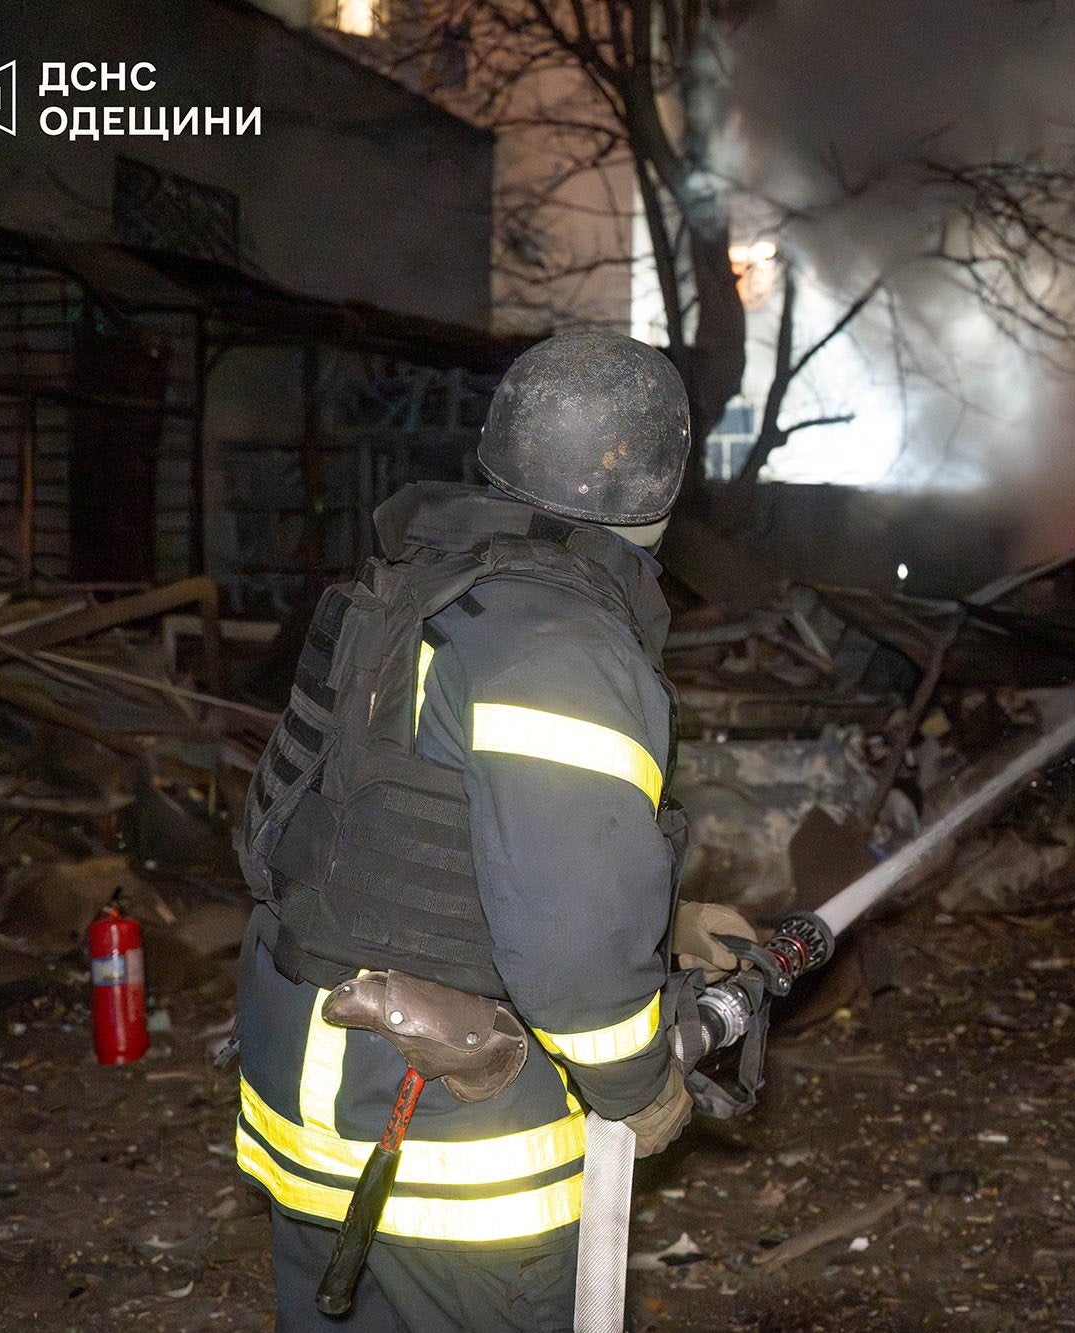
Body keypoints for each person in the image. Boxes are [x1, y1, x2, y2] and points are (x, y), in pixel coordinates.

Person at [231, 329, 716, 1330]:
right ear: (664, 482)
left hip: (315, 1084)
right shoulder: (562, 646)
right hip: (448, 1144)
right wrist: (641, 1083)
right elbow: (573, 949)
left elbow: (356, 831)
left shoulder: (419, 582)